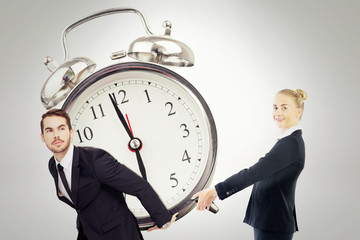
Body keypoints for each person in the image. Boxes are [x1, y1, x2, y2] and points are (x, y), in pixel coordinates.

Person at [40, 108, 177, 240]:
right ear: (43, 137)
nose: (56, 135)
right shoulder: (53, 165)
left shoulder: (94, 159)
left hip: (119, 235)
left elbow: (138, 185)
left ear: (71, 132)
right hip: (89, 233)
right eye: (49, 130)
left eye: (61, 128)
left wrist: (162, 219)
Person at [193, 89, 308, 240]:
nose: (278, 112)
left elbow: (253, 173)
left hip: (274, 223)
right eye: (275, 107)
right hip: (269, 221)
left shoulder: (290, 144)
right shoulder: (288, 141)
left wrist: (216, 190)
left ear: (298, 112)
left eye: (284, 107)